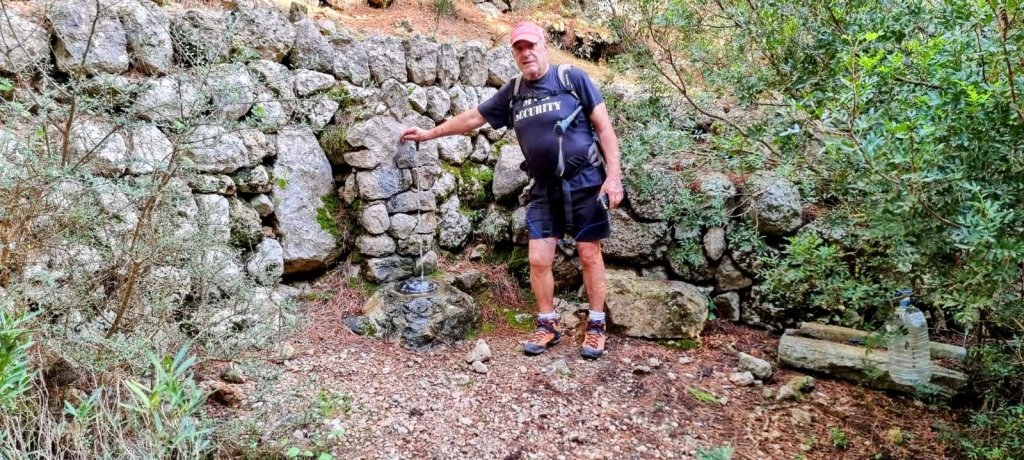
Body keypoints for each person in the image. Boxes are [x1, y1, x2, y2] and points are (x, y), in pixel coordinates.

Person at [400, 21, 624, 359]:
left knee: (589, 254)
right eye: (519, 48)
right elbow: (473, 119)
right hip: (544, 187)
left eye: (531, 45)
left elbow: (604, 129)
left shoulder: (572, 79)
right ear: (515, 53)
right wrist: (430, 134)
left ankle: (595, 325)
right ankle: (547, 324)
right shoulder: (514, 91)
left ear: (544, 44)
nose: (526, 52)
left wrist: (614, 177)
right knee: (537, 259)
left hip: (585, 181)